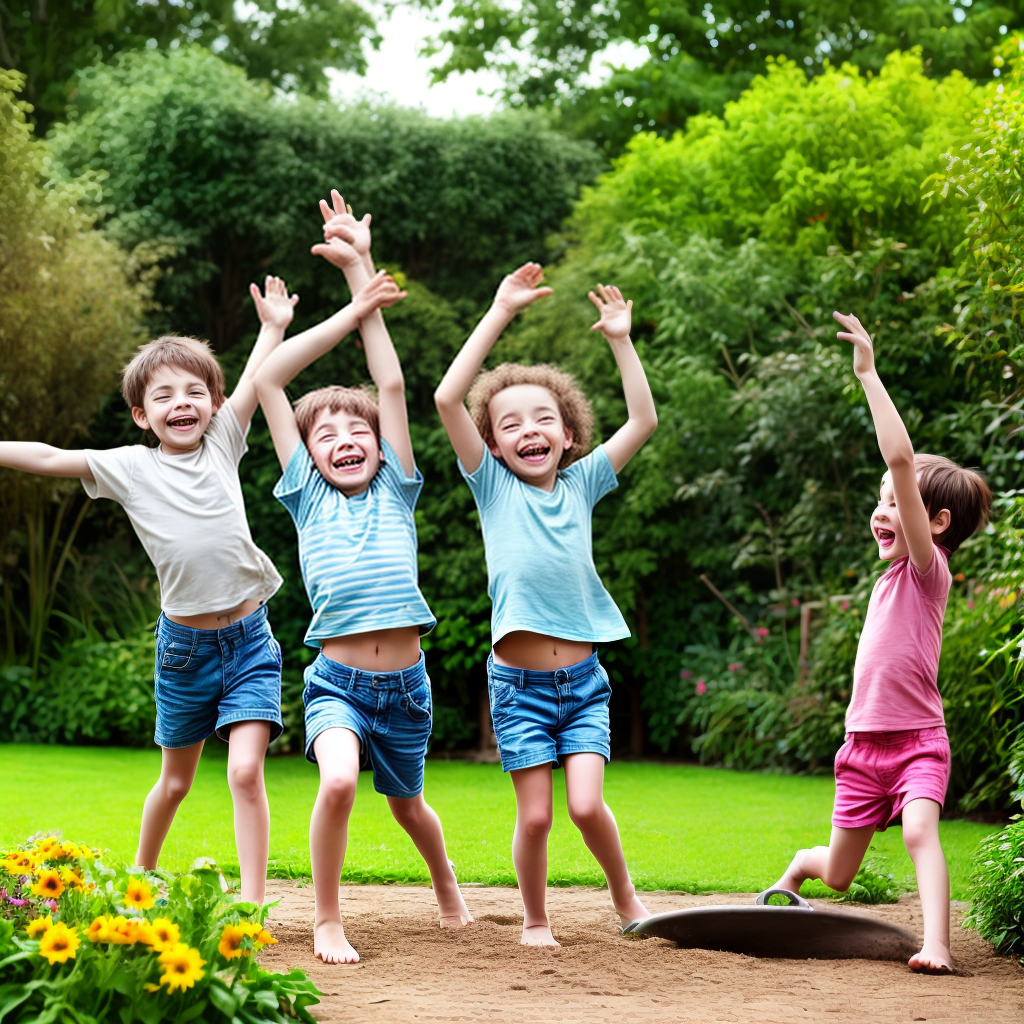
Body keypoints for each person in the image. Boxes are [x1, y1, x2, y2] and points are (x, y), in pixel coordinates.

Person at [0, 277, 299, 903]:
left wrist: (272, 327)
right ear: (142, 415)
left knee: (247, 771)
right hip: (184, 651)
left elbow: (252, 381)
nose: (182, 402)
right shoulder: (130, 467)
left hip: (249, 642)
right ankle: (141, 874)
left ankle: (251, 902)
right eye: (164, 395)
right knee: (175, 782)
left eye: (195, 391)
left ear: (213, 405)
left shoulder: (223, 441)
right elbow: (52, 456)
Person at [254, 191, 473, 965]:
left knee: (410, 806)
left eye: (359, 435)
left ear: (381, 449)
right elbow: (275, 382)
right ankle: (326, 920)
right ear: (308, 456)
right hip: (337, 684)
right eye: (330, 436)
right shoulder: (306, 495)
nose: (348, 440)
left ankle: (446, 882)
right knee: (340, 783)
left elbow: (391, 390)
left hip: (406, 686)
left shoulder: (396, 488)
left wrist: (364, 275)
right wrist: (348, 312)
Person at [434, 262, 657, 947]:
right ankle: (535, 920)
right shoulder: (492, 487)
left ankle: (628, 898)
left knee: (587, 806)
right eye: (510, 423)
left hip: (583, 684)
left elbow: (644, 419)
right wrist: (500, 309)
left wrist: (621, 339)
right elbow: (447, 399)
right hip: (520, 687)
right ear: (494, 443)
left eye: (544, 419)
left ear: (568, 434)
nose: (528, 429)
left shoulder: (584, 483)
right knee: (535, 819)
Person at [768, 311, 992, 973]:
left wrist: (868, 375)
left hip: (919, 739)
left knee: (922, 830)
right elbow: (895, 473)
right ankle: (793, 875)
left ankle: (937, 947)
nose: (882, 510)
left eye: (896, 502)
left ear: (936, 521)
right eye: (881, 501)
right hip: (863, 746)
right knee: (836, 872)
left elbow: (899, 457)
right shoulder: (891, 579)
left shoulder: (928, 570)